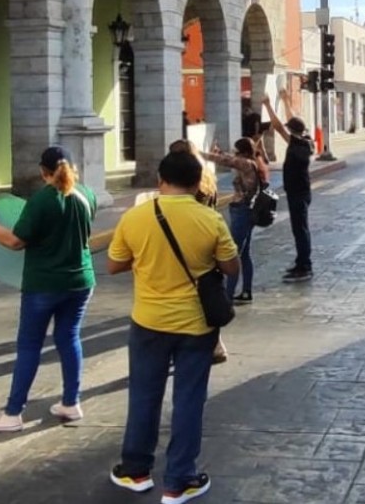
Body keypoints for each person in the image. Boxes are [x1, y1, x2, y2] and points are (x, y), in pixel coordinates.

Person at [107, 150, 238, 502]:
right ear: (198, 183)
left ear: (160, 180)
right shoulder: (210, 219)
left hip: (148, 322)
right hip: (196, 326)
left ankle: (135, 470)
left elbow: (114, 265)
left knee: (144, 396)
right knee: (189, 399)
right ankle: (179, 480)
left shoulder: (135, 217)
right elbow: (231, 267)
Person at [0, 147, 97, 432]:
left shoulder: (41, 201)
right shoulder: (87, 195)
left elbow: (15, 242)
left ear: (42, 171)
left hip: (44, 285)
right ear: (72, 167)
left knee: (29, 346)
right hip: (80, 282)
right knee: (69, 337)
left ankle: (13, 414)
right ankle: (71, 403)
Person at [169, 139, 228, 364]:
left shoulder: (185, 181)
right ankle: (216, 344)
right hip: (208, 239)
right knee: (208, 294)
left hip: (187, 241)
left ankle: (180, 345)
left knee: (185, 296)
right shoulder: (207, 176)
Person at [262, 91, 315, 283]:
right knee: (300, 229)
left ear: (292, 132)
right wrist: (285, 99)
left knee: (300, 230)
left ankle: (305, 267)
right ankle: (301, 262)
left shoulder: (297, 142)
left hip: (297, 193)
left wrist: (268, 105)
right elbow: (293, 120)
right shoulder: (306, 140)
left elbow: (277, 126)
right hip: (302, 191)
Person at [200, 138, 259, 302]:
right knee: (245, 254)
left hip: (242, 210)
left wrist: (200, 153)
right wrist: (219, 152)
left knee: (232, 253)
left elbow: (226, 161)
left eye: (236, 151)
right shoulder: (249, 162)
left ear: (243, 152)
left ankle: (228, 294)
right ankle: (246, 291)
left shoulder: (246, 163)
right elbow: (229, 159)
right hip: (246, 210)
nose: (234, 154)